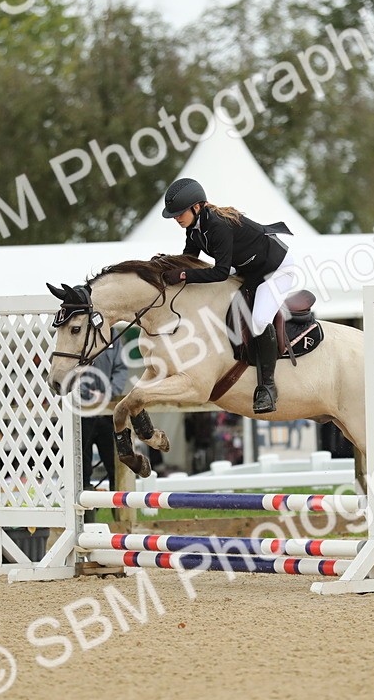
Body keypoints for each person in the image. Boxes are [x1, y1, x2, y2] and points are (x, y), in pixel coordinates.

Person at [158, 177, 296, 413]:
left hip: (276, 269)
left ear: (197, 207)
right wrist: (166, 267)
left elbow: (220, 272)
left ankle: (268, 388)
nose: (176, 218)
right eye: (174, 214)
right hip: (248, 270)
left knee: (259, 320)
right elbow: (189, 261)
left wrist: (182, 276)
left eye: (180, 213)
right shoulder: (194, 230)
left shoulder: (218, 226)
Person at [79, 337, 127, 496]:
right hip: (82, 414)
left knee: (115, 465)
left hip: (107, 413)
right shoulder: (79, 333)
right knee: (82, 469)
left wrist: (108, 393)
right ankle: (86, 517)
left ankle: (119, 514)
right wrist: (87, 393)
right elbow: (70, 367)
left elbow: (121, 368)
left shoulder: (114, 336)